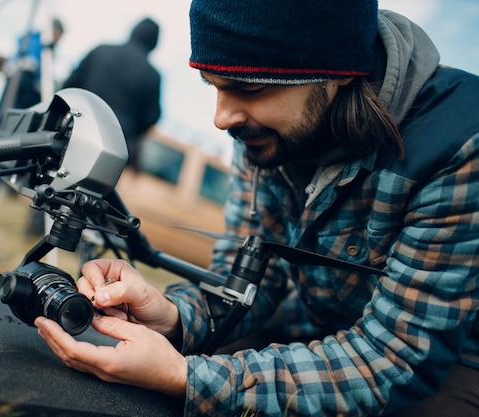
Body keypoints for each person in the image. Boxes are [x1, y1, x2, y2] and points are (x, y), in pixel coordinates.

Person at [35, 1, 479, 416]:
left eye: (248, 88)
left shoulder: (459, 142)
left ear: (340, 71)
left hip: (451, 363)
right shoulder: (264, 132)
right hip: (318, 328)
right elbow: (247, 283)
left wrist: (182, 377)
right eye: (213, 86)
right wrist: (173, 318)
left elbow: (395, 359)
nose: (221, 118)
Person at [0, 18, 64, 225]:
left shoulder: (31, 44)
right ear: (54, 32)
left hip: (10, 113)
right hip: (15, 116)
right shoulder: (37, 47)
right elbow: (27, 82)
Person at [62, 17, 161, 172]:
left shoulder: (101, 50)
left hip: (79, 130)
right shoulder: (152, 75)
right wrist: (130, 132)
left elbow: (70, 84)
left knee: (61, 177)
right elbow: (152, 116)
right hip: (115, 145)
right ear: (154, 44)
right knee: (95, 191)